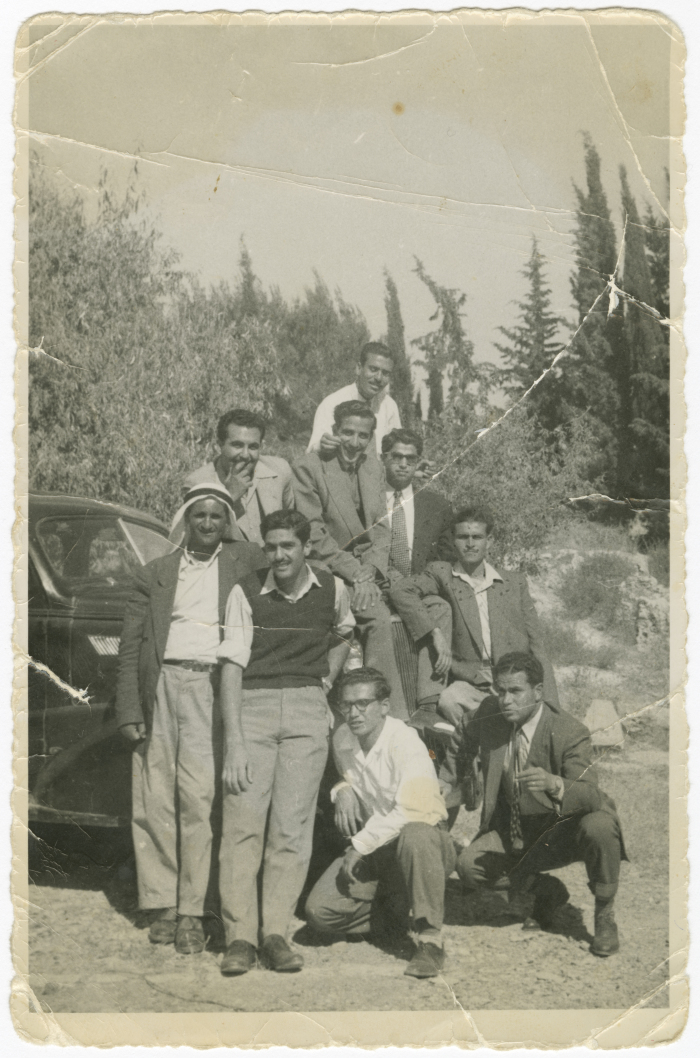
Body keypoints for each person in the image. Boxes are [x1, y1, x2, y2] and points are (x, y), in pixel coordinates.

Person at [115, 484, 267, 954]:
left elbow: (289, 554)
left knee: (198, 800)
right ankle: (160, 903)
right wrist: (128, 708)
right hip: (160, 686)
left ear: (228, 524)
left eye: (216, 517)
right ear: (185, 521)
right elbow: (130, 648)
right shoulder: (154, 574)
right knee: (154, 799)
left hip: (208, 687)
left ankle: (192, 911)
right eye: (198, 516)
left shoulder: (243, 564)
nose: (206, 523)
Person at [216, 509, 355, 976]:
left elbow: (345, 633)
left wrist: (325, 681)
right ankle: (239, 938)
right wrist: (234, 742)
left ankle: (275, 934)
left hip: (306, 711)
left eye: (287, 546)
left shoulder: (334, 589)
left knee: (291, 829)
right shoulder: (245, 591)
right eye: (271, 547)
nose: (278, 555)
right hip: (251, 709)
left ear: (306, 546)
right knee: (242, 825)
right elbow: (231, 667)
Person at [455, 652, 626, 957]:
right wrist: (459, 774)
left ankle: (604, 914)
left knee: (600, 824)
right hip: (514, 827)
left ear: (537, 692)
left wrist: (554, 783)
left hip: (562, 830)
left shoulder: (568, 731)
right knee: (469, 866)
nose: (505, 700)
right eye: (500, 690)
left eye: (515, 691)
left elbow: (589, 793)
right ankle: (546, 891)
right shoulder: (489, 712)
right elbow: (462, 740)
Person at [305, 667, 456, 979]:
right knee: (319, 913)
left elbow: (413, 809)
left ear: (384, 706)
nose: (354, 713)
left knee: (416, 834)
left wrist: (358, 846)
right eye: (346, 705)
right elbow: (346, 777)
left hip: (423, 841)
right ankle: (395, 912)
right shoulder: (344, 738)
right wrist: (341, 789)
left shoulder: (406, 742)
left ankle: (430, 940)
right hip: (379, 848)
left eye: (363, 704)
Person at [390, 504, 559, 728]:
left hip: (514, 678)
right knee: (450, 699)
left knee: (533, 721)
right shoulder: (443, 573)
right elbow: (401, 590)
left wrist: (552, 705)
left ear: (489, 541)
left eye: (477, 537)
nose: (470, 544)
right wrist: (435, 632)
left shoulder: (513, 582)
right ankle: (483, 748)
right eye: (463, 537)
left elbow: (537, 644)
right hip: (472, 682)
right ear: (453, 540)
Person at [292, 400, 408, 719]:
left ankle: (389, 712)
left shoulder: (373, 467)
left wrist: (369, 572)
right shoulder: (310, 468)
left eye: (362, 436)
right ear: (334, 431)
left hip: (366, 570)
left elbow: (382, 529)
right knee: (375, 618)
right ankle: (368, 711)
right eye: (348, 433)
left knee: (400, 611)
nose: (354, 443)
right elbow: (312, 533)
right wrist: (356, 573)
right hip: (327, 565)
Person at [183, 408, 295, 546]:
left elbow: (294, 524)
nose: (245, 455)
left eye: (253, 447)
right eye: (237, 445)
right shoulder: (197, 483)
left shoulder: (279, 470)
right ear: (219, 445)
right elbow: (194, 545)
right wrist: (228, 497)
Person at [307, 342, 401, 457]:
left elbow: (396, 450)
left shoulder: (389, 406)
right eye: (373, 369)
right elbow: (311, 452)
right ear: (358, 368)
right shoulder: (332, 403)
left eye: (385, 373)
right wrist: (322, 445)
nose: (378, 378)